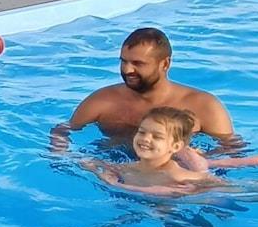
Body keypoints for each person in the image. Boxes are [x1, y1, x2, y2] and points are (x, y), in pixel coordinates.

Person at [51, 27, 240, 168]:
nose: (127, 70)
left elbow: (232, 149)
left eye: (138, 63)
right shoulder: (103, 100)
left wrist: (200, 162)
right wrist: (61, 155)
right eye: (123, 61)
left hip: (177, 176)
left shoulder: (204, 105)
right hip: (114, 168)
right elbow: (63, 130)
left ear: (164, 64)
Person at [90, 107, 225, 194]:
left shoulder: (177, 175)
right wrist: (93, 168)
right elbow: (96, 165)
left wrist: (115, 184)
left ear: (176, 147)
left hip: (171, 214)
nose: (145, 139)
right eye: (142, 132)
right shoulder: (125, 168)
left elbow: (225, 186)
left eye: (157, 136)